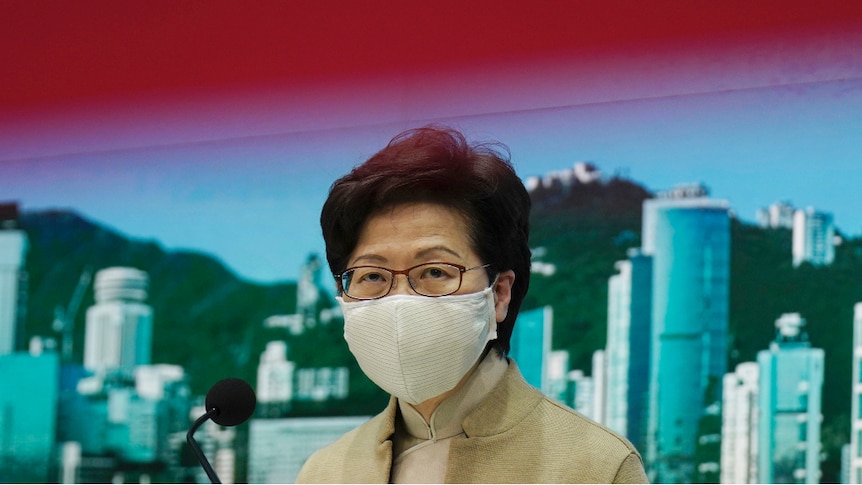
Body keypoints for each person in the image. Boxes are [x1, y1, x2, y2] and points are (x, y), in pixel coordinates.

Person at [296, 126, 647, 483]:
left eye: (434, 270)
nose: (400, 299)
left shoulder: (595, 467)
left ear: (499, 294)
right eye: (372, 276)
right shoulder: (325, 471)